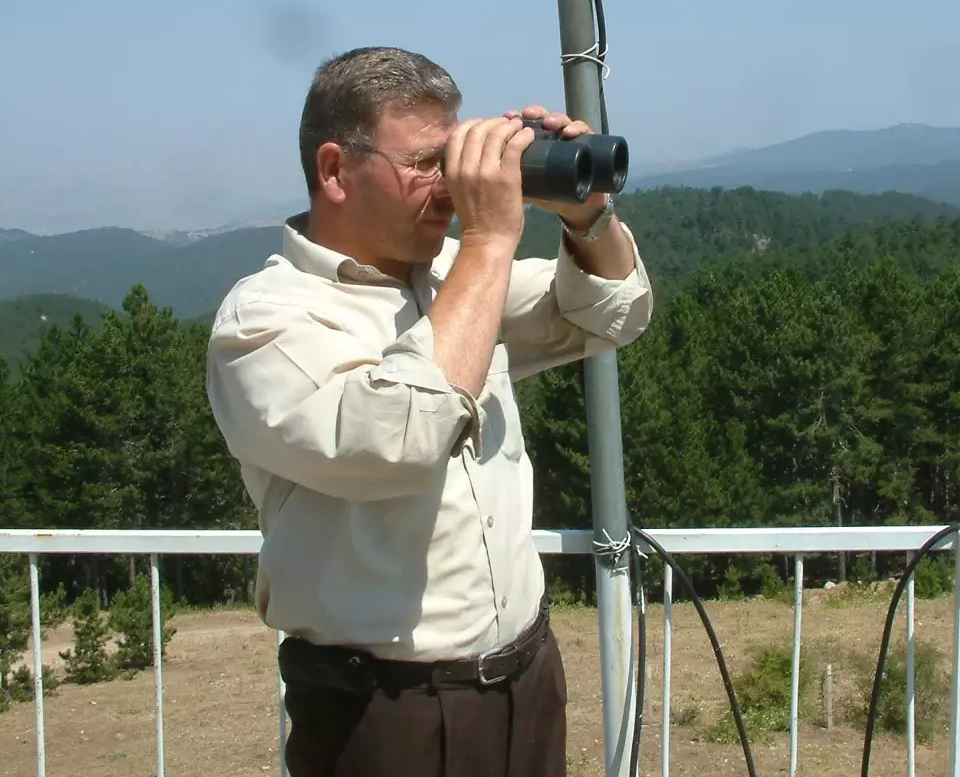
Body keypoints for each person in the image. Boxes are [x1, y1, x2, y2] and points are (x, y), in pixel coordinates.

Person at [205, 45, 654, 777]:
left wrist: (586, 214)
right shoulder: (265, 322)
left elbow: (610, 313)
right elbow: (401, 439)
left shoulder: (450, 278)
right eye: (424, 164)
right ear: (334, 169)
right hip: (385, 713)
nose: (447, 187)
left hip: (526, 680)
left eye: (453, 158)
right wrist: (489, 239)